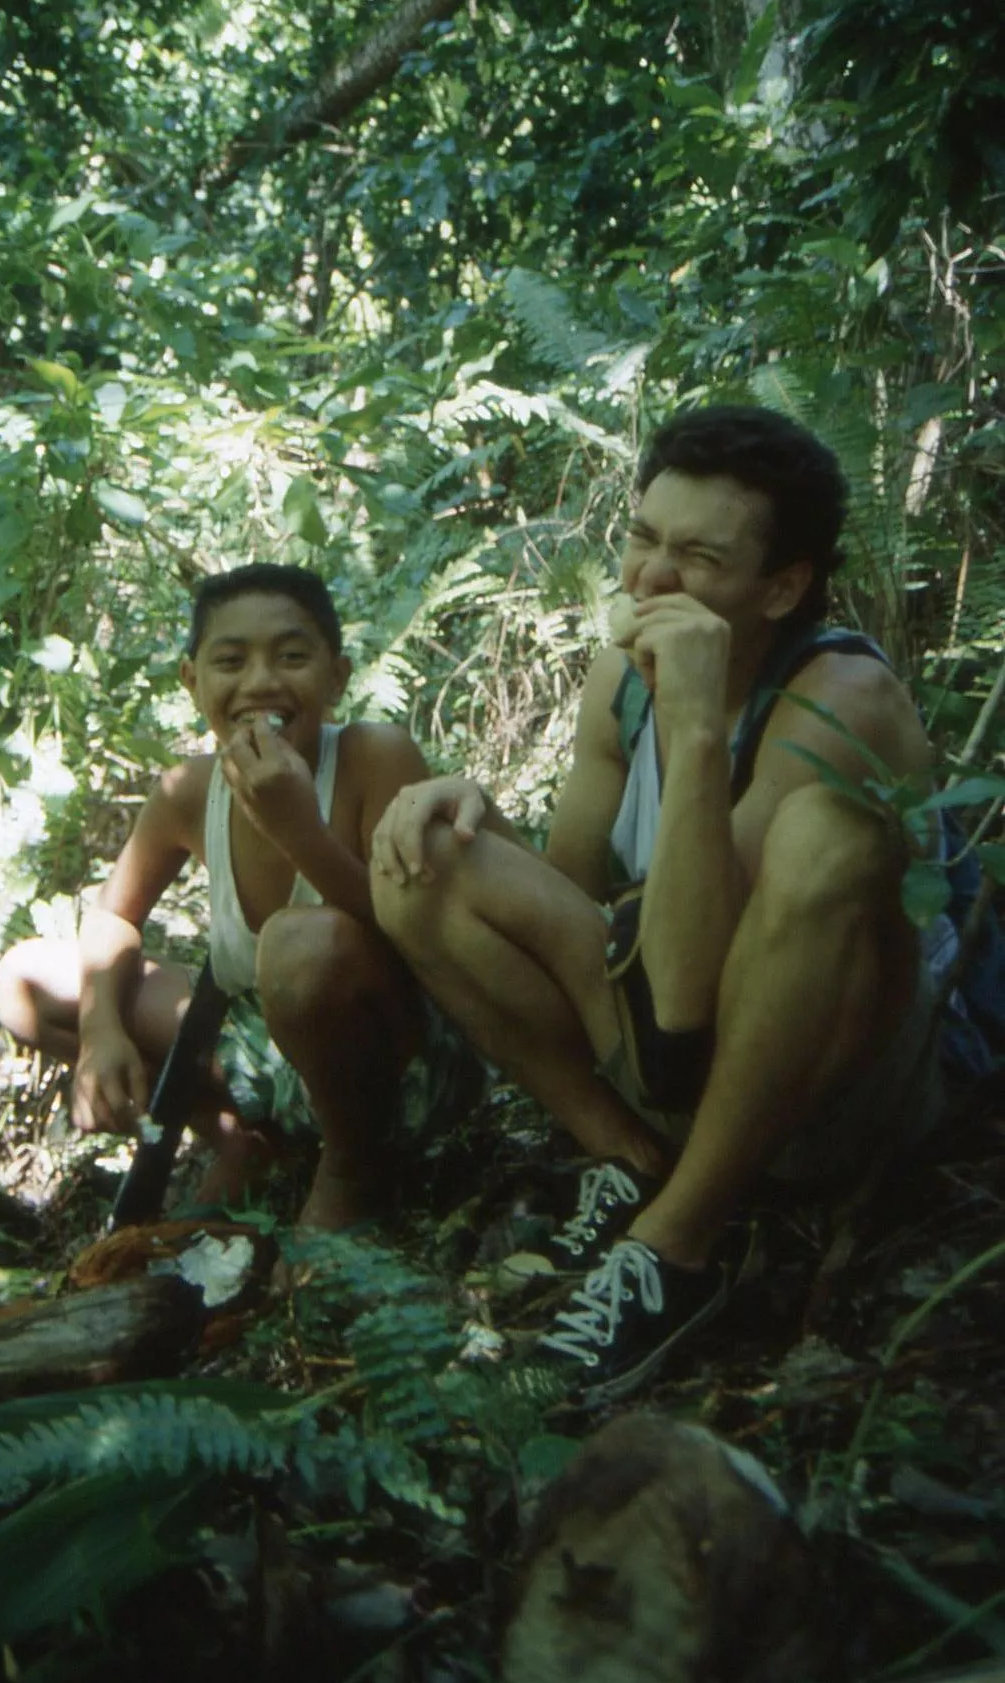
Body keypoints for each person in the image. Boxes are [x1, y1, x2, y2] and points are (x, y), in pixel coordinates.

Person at [370, 403, 950, 1402]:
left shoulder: (837, 698)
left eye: (699, 559)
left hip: (828, 1085)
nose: (648, 580)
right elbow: (578, 906)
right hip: (673, 1055)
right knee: (420, 854)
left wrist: (693, 731)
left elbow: (685, 999)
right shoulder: (620, 679)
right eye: (642, 537)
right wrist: (473, 815)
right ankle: (629, 1153)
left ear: (783, 586)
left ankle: (679, 1240)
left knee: (825, 834)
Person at [0, 563, 434, 1226]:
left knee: (302, 939)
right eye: (230, 660)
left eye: (291, 656)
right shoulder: (189, 791)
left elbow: (418, 938)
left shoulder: (376, 759)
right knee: (25, 978)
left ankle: (352, 1165)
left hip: (397, 1066)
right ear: (192, 680)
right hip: (271, 1056)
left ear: (337, 676)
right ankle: (240, 1138)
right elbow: (113, 916)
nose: (260, 681)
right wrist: (100, 1032)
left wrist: (298, 829)